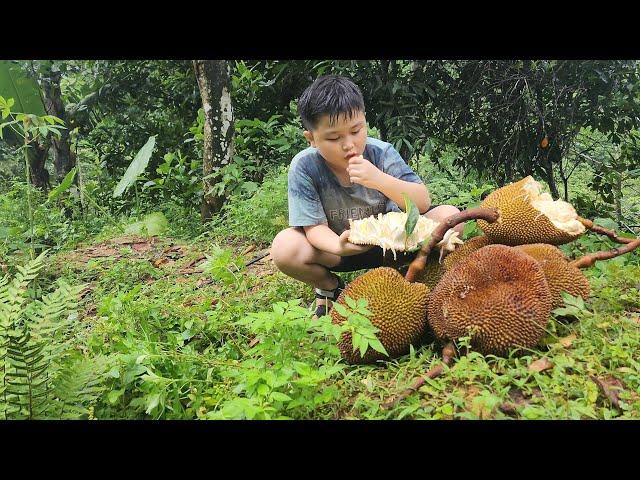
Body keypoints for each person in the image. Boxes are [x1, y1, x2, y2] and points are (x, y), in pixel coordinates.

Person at [270, 75, 462, 319]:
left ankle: (409, 275)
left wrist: (378, 179)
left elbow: (422, 202)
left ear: (365, 122)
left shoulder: (381, 153)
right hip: (339, 250)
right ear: (312, 139)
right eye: (334, 138)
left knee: (450, 217)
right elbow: (314, 228)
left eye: (355, 130)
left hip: (395, 245)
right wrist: (340, 246)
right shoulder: (304, 166)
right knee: (285, 247)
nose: (349, 144)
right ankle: (329, 287)